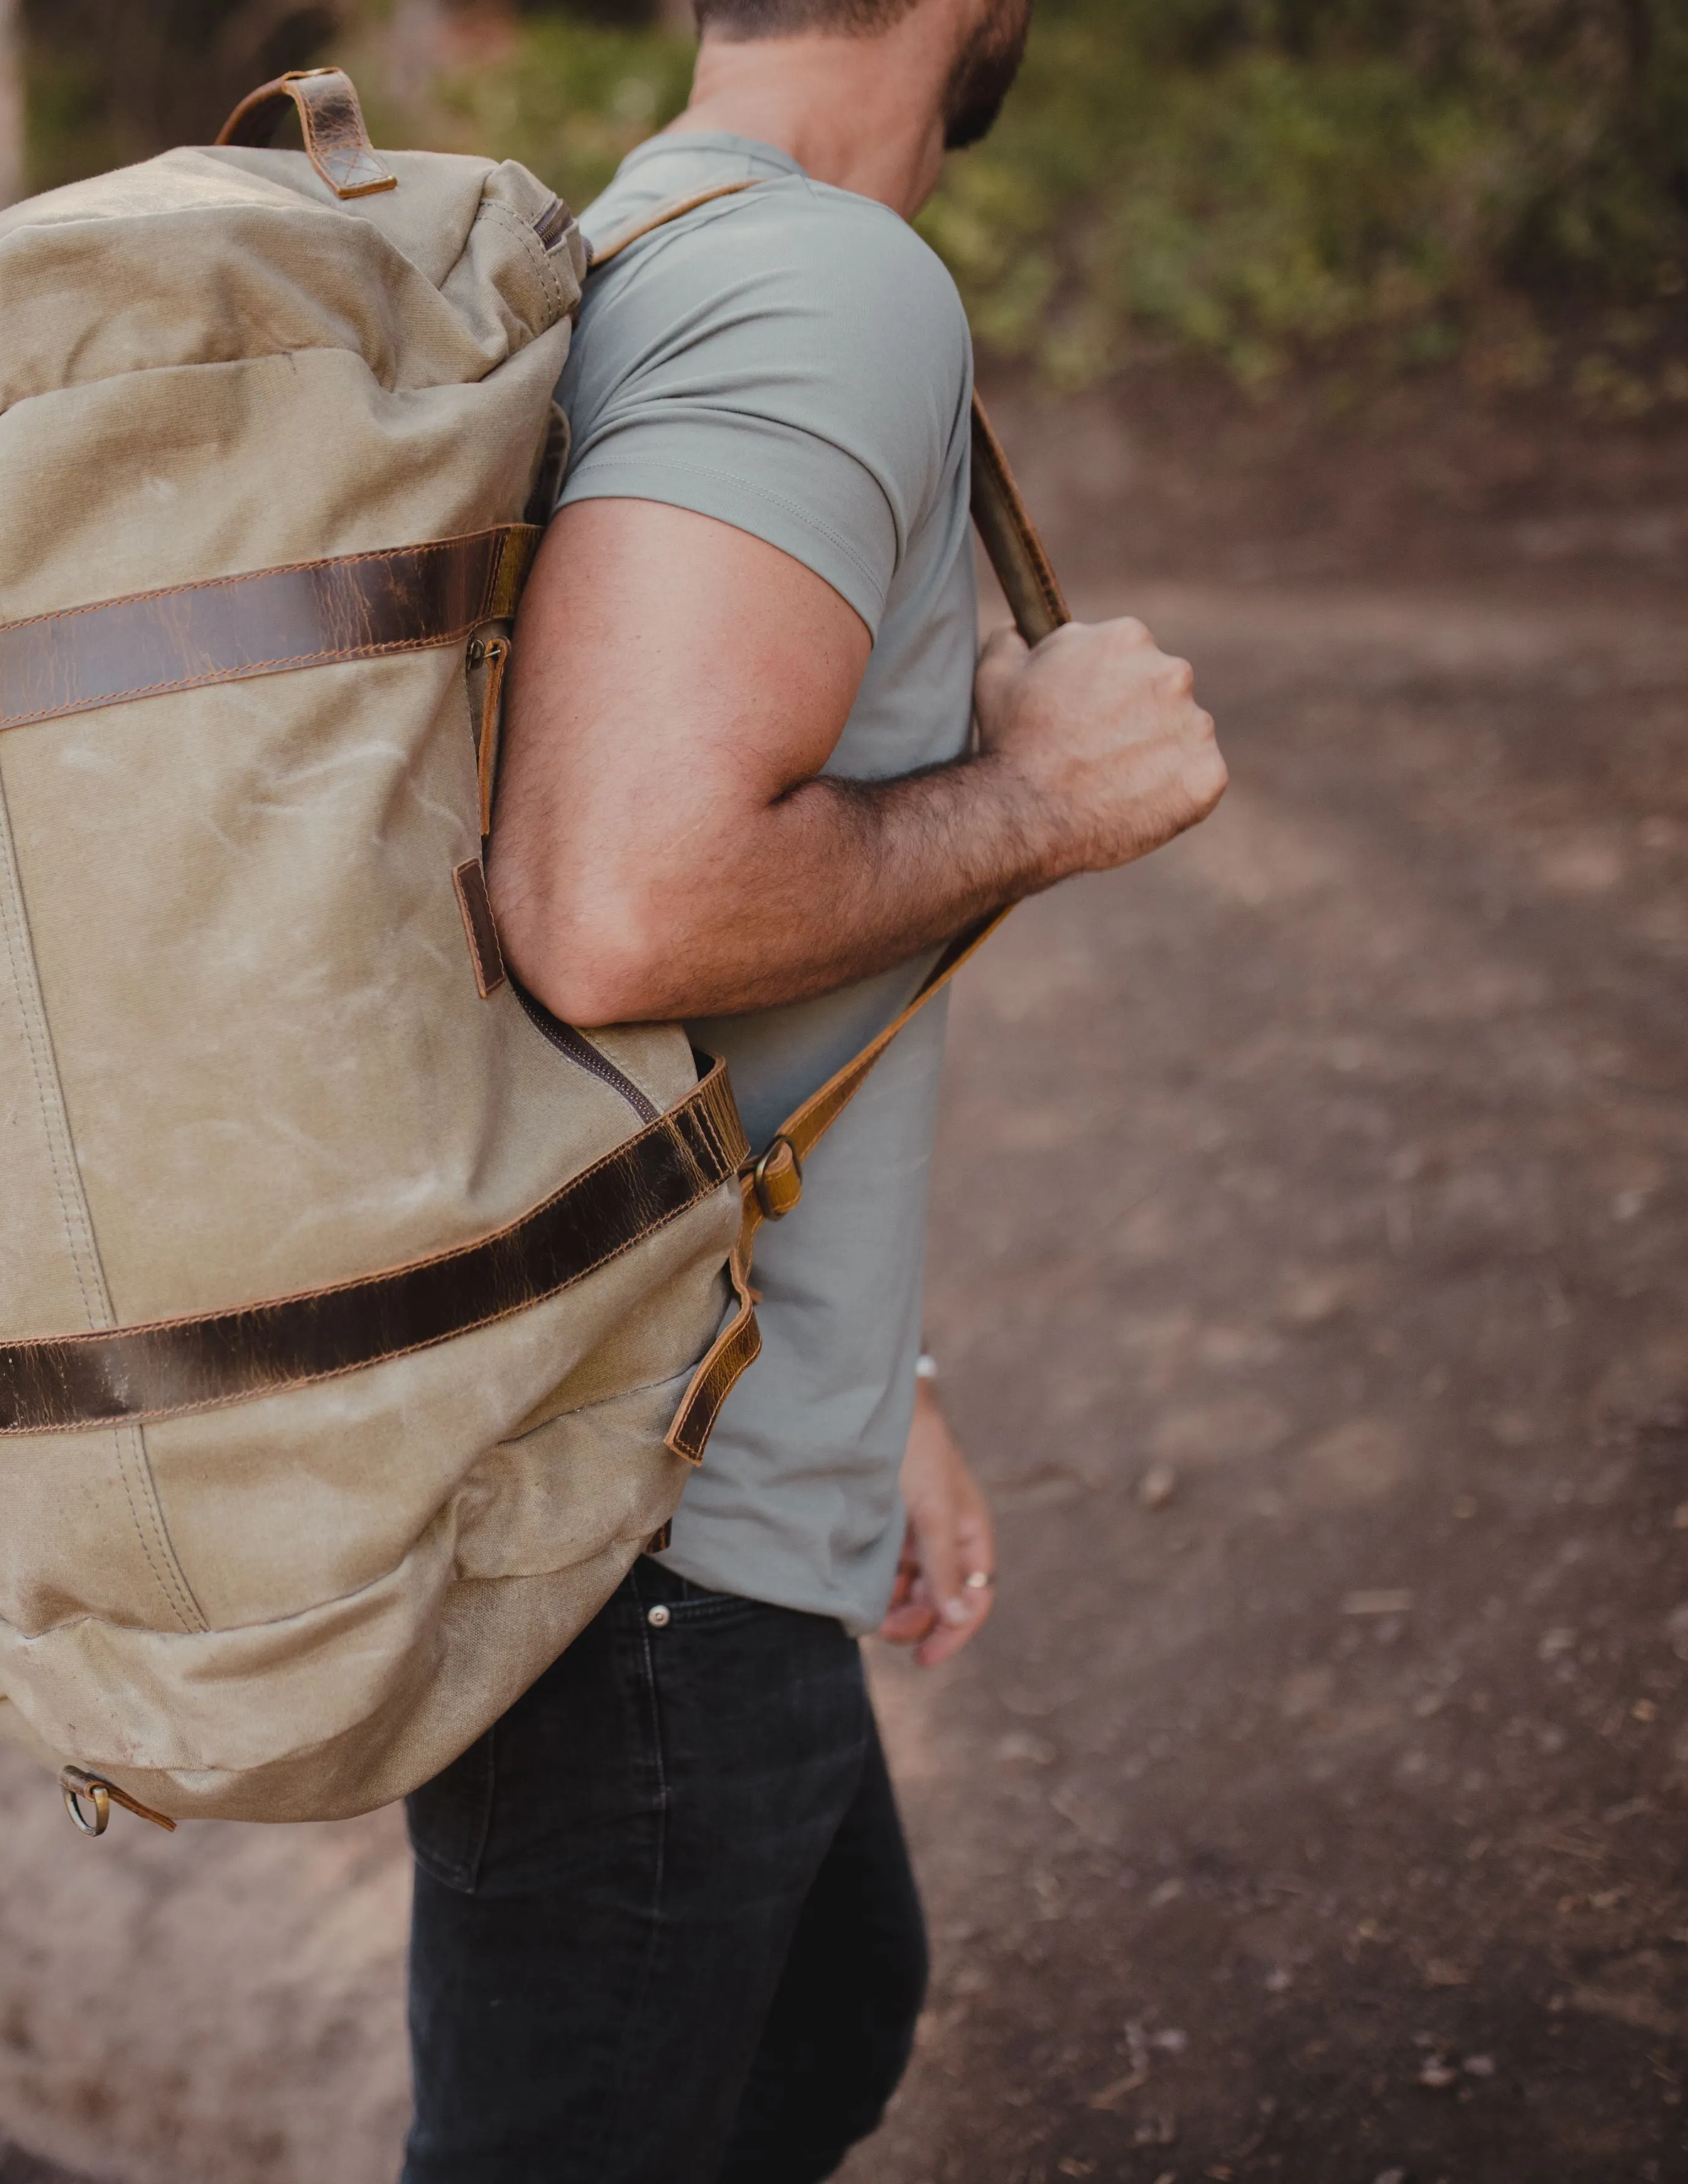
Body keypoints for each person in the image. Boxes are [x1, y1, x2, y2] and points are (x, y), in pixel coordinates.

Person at [401, 2, 1229, 2177]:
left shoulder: (623, 245)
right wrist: (1042, 800)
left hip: (665, 1444)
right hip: (650, 1547)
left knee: (829, 2016)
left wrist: (894, 1376)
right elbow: (614, 907)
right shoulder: (825, 280)